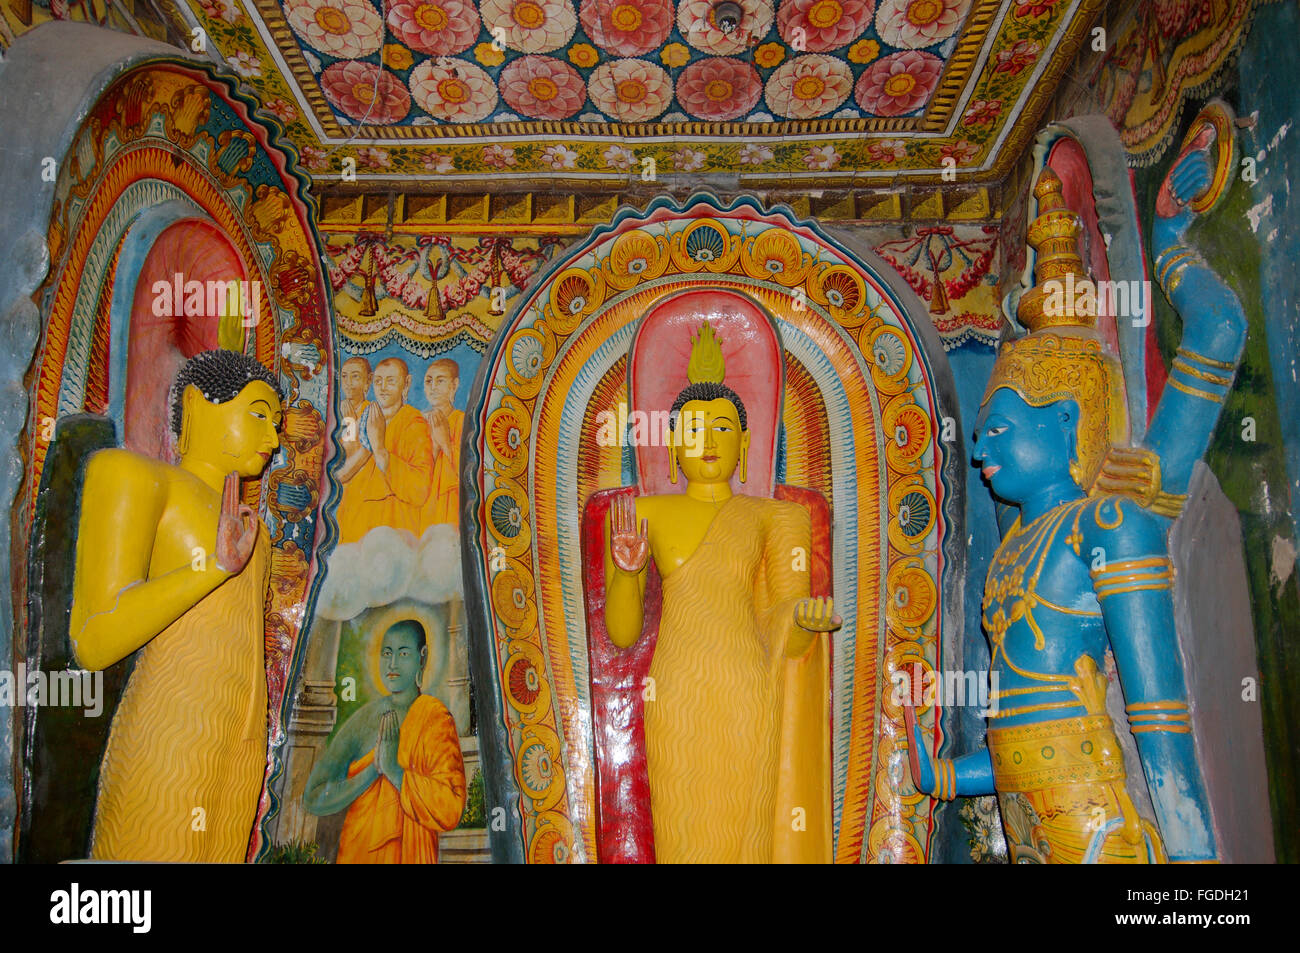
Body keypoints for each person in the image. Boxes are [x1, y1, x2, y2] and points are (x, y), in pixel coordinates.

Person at [603, 323, 838, 863]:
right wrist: (625, 571)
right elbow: (622, 633)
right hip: (677, 687)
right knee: (683, 822)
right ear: (671, 445)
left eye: (722, 427)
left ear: (747, 441)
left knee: (745, 823)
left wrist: (804, 618)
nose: (707, 441)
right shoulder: (644, 514)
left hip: (746, 685)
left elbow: (786, 625)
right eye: (692, 429)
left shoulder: (775, 518)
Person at [70, 349, 282, 862]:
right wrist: (212, 567)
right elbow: (93, 639)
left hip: (240, 746)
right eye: (257, 414)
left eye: (275, 423)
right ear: (196, 405)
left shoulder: (260, 536)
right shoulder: (139, 479)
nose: (272, 440)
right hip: (169, 736)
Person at [303, 620, 466, 863]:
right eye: (387, 653)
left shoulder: (434, 718)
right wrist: (373, 771)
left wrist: (395, 772)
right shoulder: (365, 719)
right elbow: (313, 798)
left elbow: (451, 809)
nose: (392, 664)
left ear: (423, 657)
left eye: (403, 653)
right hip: (359, 853)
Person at [336, 356, 433, 543]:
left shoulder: (412, 422)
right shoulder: (367, 417)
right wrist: (352, 427)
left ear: (406, 384)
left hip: (390, 533)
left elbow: (419, 490)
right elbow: (341, 471)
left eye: (390, 381)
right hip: (354, 527)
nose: (382, 387)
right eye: (378, 381)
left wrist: (380, 450)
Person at [420, 358, 463, 529]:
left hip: (450, 504)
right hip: (423, 506)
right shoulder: (416, 421)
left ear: (454, 385)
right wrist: (435, 449)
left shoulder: (462, 421)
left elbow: (472, 473)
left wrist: (446, 444)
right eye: (429, 381)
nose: (433, 387)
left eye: (440, 381)